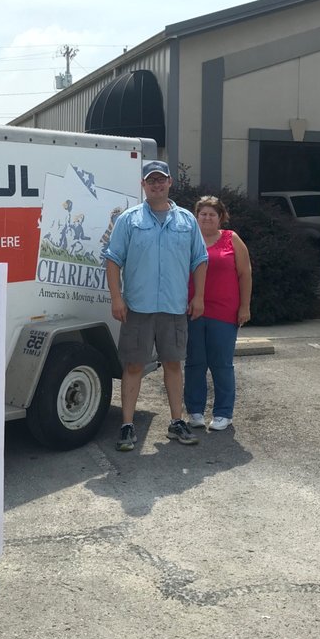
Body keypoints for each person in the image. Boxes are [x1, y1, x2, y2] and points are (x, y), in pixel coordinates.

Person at [102, 160, 208, 452]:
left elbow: (200, 259)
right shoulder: (129, 220)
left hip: (174, 307)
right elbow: (112, 259)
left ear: (170, 182)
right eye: (151, 181)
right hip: (138, 307)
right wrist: (116, 297)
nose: (157, 185)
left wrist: (199, 296)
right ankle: (127, 425)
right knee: (134, 365)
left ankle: (176, 422)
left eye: (161, 180)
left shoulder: (187, 220)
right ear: (143, 185)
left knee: (173, 364)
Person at [184, 196, 252, 431]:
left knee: (221, 363)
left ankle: (223, 413)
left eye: (212, 214)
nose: (207, 218)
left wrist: (244, 306)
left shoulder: (231, 239)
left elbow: (245, 274)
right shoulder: (188, 239)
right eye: (202, 214)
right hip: (193, 310)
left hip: (224, 312)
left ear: (220, 217)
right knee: (195, 362)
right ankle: (195, 411)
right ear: (196, 216)